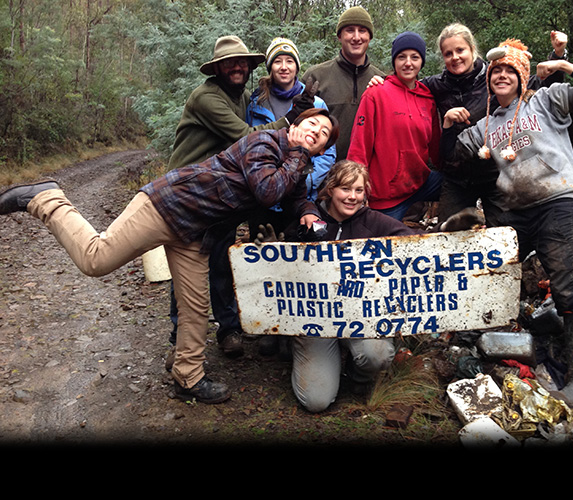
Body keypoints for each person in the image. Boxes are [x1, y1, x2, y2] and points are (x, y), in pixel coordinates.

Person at [0, 108, 339, 405]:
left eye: (323, 135)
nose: (316, 132)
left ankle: (187, 377)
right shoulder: (265, 143)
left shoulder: (293, 166)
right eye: (312, 124)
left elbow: (293, 197)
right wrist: (297, 156)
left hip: (195, 232)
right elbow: (268, 190)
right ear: (295, 125)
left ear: (323, 149)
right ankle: (45, 198)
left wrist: (309, 211)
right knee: (96, 258)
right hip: (168, 207)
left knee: (195, 308)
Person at [440, 39, 573, 406]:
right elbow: (450, 161)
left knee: (570, 288)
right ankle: (483, 342)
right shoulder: (485, 126)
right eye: (495, 72)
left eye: (509, 71)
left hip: (557, 204)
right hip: (512, 214)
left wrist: (564, 66)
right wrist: (447, 126)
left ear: (520, 76)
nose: (501, 76)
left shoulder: (546, 101)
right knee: (493, 276)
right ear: (489, 81)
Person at [167, 35, 318, 360]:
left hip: (223, 191)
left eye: (241, 62)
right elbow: (249, 138)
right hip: (189, 191)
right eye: (228, 63)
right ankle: (178, 342)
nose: (236, 67)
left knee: (222, 258)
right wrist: (293, 118)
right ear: (217, 68)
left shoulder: (242, 97)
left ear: (249, 68)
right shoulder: (207, 98)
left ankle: (228, 329)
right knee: (185, 261)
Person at [368, 25, 569, 228]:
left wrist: (558, 54)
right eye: (448, 53)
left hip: (496, 175)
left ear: (472, 49)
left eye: (460, 50)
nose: (455, 57)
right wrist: (383, 82)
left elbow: (536, 84)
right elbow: (407, 86)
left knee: (505, 235)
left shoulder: (493, 78)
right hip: (457, 177)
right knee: (450, 235)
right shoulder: (436, 85)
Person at [282, 160, 418, 413]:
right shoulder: (312, 219)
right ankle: (297, 349)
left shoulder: (374, 221)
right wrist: (269, 250)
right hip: (316, 318)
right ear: (331, 189)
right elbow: (282, 264)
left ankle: (358, 377)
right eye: (345, 189)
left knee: (376, 354)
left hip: (359, 312)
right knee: (316, 401)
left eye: (359, 190)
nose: (352, 197)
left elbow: (414, 242)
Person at [246, 37, 337, 356]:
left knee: (293, 258)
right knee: (263, 257)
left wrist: (305, 176)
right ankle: (269, 326)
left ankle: (293, 326)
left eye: (289, 61)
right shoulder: (256, 102)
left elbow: (327, 151)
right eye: (277, 62)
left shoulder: (315, 101)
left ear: (297, 66)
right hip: (263, 195)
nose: (284, 67)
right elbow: (253, 144)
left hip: (299, 191)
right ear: (270, 68)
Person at [346, 31, 442, 221]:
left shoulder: (427, 98)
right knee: (382, 244)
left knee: (459, 184)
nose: (408, 63)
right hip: (386, 195)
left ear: (421, 61)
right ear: (394, 61)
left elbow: (436, 148)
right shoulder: (376, 93)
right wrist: (357, 190)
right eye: (401, 57)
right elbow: (359, 147)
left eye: (414, 57)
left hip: (421, 182)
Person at [301, 6, 384, 161]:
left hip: (365, 177)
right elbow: (298, 129)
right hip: (322, 175)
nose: (356, 37)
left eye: (362, 30)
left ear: (370, 37)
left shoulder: (382, 81)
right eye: (350, 30)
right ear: (339, 36)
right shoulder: (315, 76)